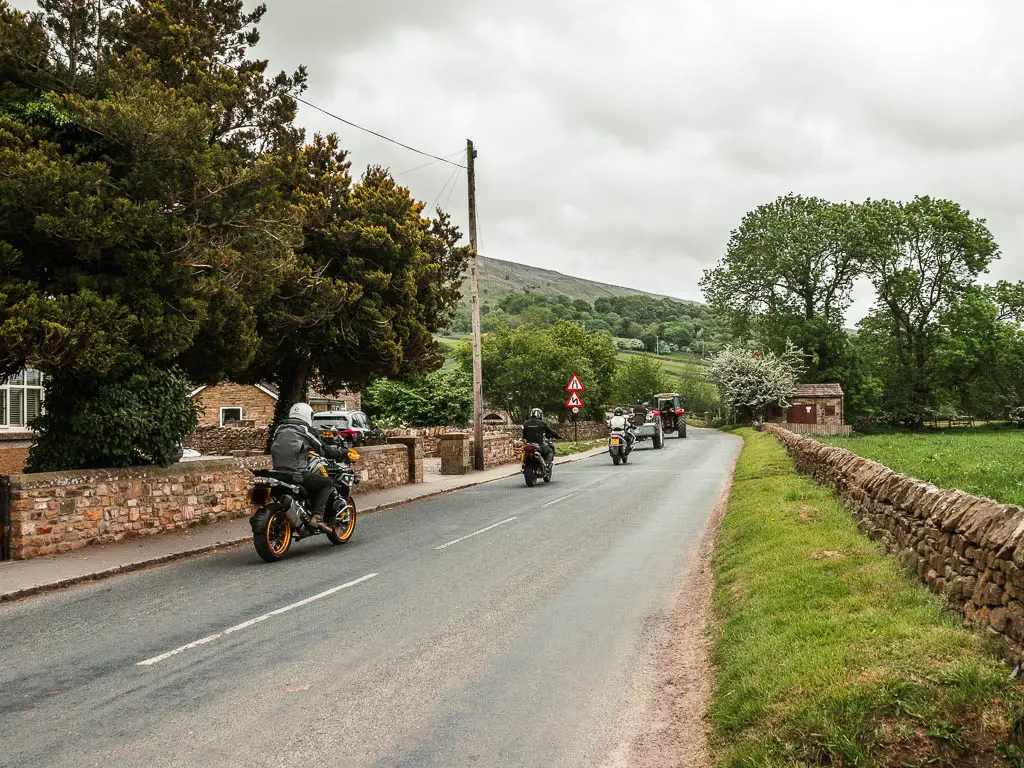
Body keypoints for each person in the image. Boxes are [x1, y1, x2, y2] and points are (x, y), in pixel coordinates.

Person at [270, 402, 346, 523]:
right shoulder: (305, 429)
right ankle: (317, 516)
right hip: (296, 473)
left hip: (277, 472)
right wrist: (341, 453)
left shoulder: (279, 428)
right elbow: (323, 449)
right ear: (307, 416)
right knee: (327, 483)